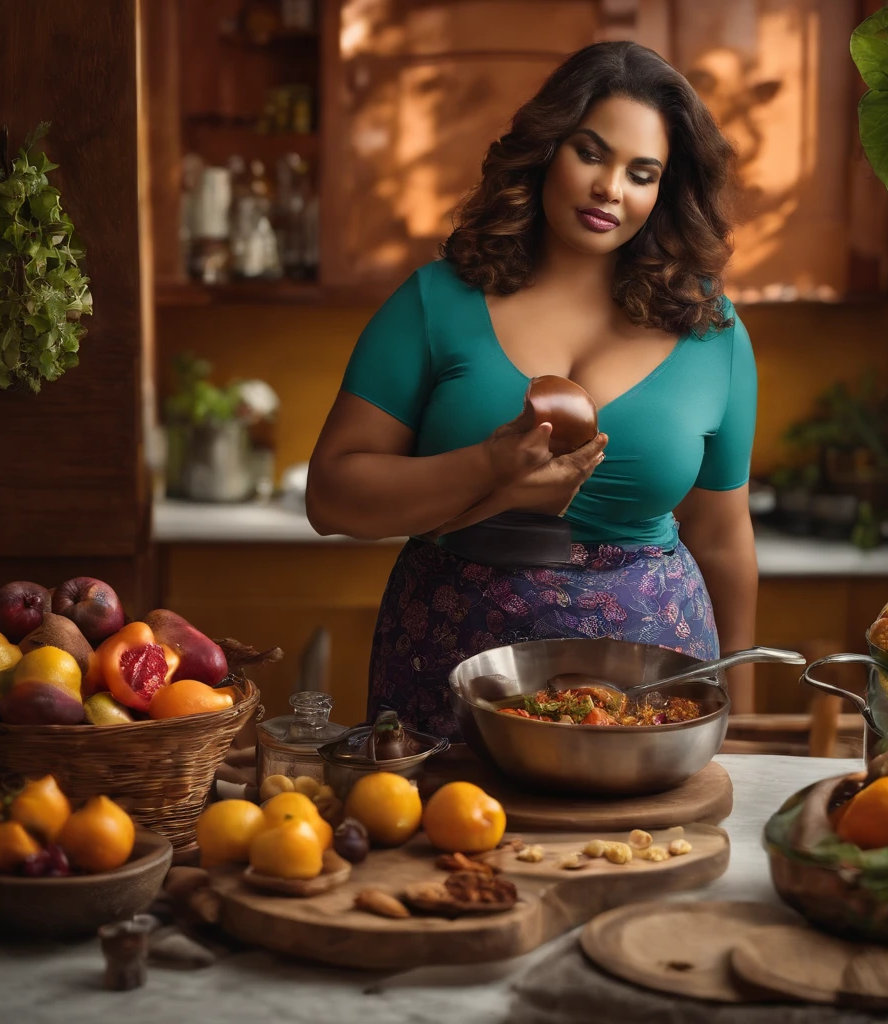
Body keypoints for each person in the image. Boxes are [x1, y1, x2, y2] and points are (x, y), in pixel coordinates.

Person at [306, 40, 758, 739]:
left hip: (654, 694)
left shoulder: (711, 330)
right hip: (453, 671)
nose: (611, 187)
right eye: (591, 153)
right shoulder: (438, 302)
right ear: (548, 148)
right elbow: (331, 497)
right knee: (450, 845)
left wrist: (745, 720)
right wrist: (489, 469)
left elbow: (723, 539)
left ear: (665, 191)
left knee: (643, 852)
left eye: (643, 173)